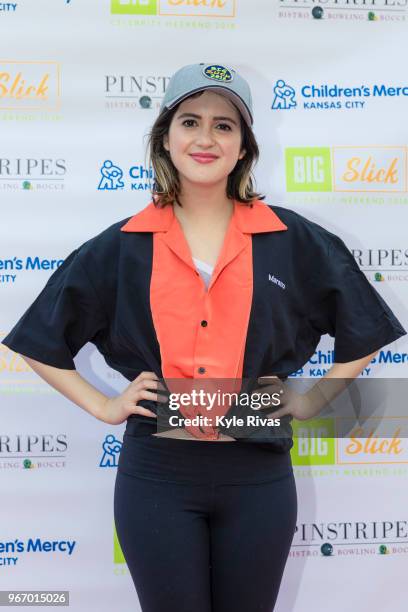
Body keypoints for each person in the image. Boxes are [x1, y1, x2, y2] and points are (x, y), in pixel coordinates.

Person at [2, 62, 406, 611]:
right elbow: (39, 339)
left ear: (244, 148)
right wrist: (104, 405)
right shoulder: (122, 246)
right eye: (190, 122)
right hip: (157, 480)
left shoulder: (294, 240)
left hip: (258, 477)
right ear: (165, 139)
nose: (206, 137)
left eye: (224, 125)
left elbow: (364, 328)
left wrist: (312, 401)